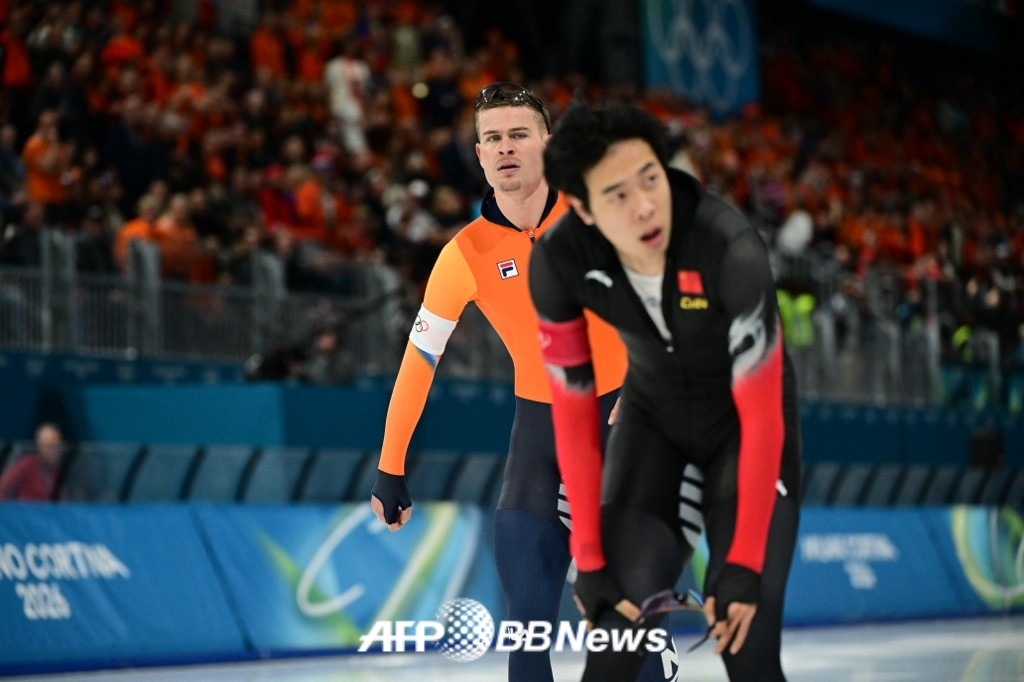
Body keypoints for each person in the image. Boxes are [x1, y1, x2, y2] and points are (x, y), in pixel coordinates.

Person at [369, 83, 701, 682]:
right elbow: (418, 362)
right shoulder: (464, 254)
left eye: (519, 134)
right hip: (541, 433)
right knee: (527, 623)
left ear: (547, 143)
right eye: (493, 138)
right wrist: (390, 467)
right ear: (478, 153)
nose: (506, 149)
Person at [529, 103, 801, 681]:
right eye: (618, 195)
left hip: (743, 428)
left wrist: (744, 565)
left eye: (650, 178)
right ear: (582, 208)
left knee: (744, 638)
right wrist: (590, 560)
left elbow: (762, 418)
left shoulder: (730, 248)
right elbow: (575, 419)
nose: (646, 205)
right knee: (615, 640)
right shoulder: (558, 261)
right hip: (654, 423)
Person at [0, 422, 65, 501]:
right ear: (40, 446)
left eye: (58, 446)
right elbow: (3, 488)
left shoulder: (57, 471)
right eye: (50, 446)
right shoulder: (27, 464)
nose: (55, 451)